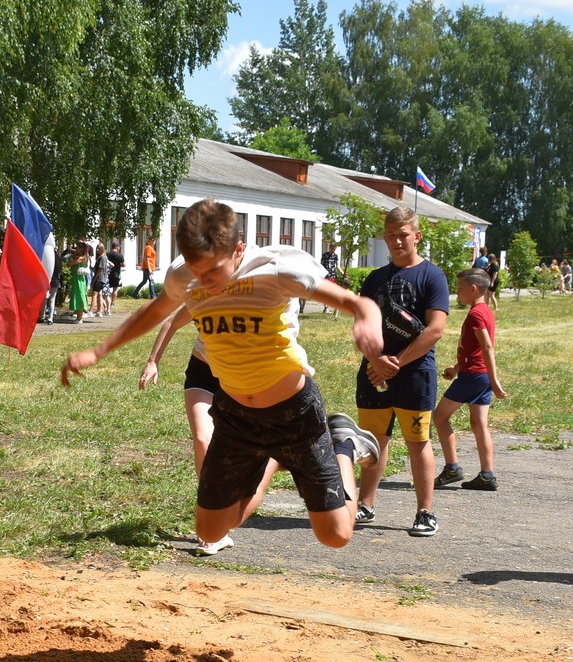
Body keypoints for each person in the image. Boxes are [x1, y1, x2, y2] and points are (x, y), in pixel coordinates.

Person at [61, 196, 384, 550]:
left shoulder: (276, 268)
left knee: (335, 535)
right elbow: (153, 314)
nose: (205, 282)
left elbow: (358, 303)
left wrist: (367, 323)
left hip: (294, 412)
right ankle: (272, 458)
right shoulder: (186, 276)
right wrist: (99, 350)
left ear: (239, 250)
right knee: (212, 531)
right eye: (198, 271)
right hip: (236, 416)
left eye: (214, 271)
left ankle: (344, 445)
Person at [139, 308, 282, 556]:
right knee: (203, 440)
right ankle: (215, 525)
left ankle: (241, 492)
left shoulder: (254, 294)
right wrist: (153, 362)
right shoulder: (205, 296)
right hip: (202, 373)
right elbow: (172, 321)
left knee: (245, 451)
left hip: (241, 379)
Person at [354, 206, 450, 537]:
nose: (396, 241)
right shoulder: (375, 278)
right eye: (391, 235)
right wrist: (377, 359)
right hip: (373, 374)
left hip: (415, 374)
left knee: (417, 440)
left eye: (403, 235)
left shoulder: (432, 276)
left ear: (416, 236)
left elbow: (435, 329)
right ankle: (365, 503)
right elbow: (361, 327)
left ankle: (425, 512)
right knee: (371, 442)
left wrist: (395, 363)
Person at [433, 268, 507, 492]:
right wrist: (456, 367)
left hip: (474, 376)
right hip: (478, 374)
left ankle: (452, 468)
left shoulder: (476, 314)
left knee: (439, 417)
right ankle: (487, 475)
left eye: (460, 288)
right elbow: (476, 347)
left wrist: (495, 382)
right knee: (479, 425)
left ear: (473, 289)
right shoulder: (485, 310)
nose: (458, 293)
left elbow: (487, 346)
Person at [91, 243, 110, 317]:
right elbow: (96, 269)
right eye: (97, 248)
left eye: (99, 248)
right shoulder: (99, 258)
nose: (97, 250)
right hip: (100, 278)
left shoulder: (103, 258)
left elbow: (100, 270)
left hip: (100, 279)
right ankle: (99, 311)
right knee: (99, 294)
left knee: (94, 295)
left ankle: (91, 311)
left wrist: (94, 279)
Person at [106, 243, 125, 312]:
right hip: (116, 273)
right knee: (115, 289)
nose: (119, 248)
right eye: (119, 247)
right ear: (117, 247)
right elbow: (124, 264)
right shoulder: (120, 255)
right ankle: (112, 303)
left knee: (106, 288)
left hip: (108, 273)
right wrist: (119, 264)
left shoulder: (108, 254)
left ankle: (105, 300)